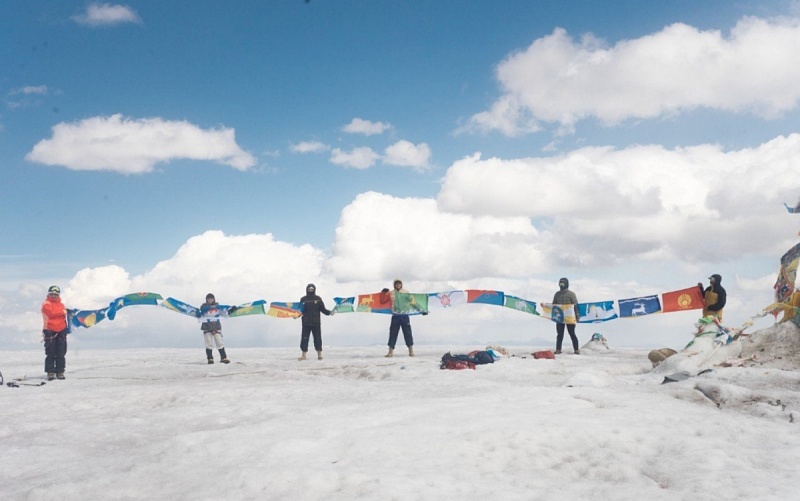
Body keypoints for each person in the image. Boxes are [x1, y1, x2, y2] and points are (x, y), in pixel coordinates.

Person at [380, 279, 423, 357]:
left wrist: (421, 310)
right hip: (395, 316)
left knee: (407, 333)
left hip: (404, 316)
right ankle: (390, 352)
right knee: (393, 333)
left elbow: (413, 302)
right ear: (394, 285)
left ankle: (411, 351)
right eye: (396, 284)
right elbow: (382, 301)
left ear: (401, 284)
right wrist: (383, 293)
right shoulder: (391, 293)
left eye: (399, 284)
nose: (398, 285)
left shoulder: (406, 293)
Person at [297, 283, 334, 361]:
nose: (310, 290)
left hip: (316, 323)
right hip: (306, 323)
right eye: (309, 289)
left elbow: (323, 309)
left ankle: (319, 354)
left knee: (317, 339)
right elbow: (300, 310)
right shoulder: (303, 299)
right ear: (306, 289)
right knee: (304, 339)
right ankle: (303, 355)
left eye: (312, 289)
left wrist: (330, 312)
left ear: (314, 289)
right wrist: (295, 315)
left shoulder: (318, 298)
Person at [41, 285, 69, 380]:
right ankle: (50, 372)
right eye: (52, 294)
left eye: (55, 294)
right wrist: (63, 312)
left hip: (62, 330)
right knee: (51, 352)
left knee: (61, 353)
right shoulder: (46, 304)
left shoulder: (62, 305)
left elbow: (63, 313)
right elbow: (52, 313)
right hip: (50, 330)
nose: (53, 296)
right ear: (49, 294)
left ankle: (60, 372)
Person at [198, 293, 232, 364]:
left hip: (216, 328)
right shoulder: (203, 307)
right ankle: (210, 359)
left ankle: (223, 358)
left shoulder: (218, 307)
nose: (210, 300)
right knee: (208, 343)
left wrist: (231, 309)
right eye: (208, 299)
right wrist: (211, 307)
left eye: (211, 299)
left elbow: (224, 312)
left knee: (219, 342)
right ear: (206, 300)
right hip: (207, 328)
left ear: (213, 299)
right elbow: (202, 310)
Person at [553, 277, 580, 355]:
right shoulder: (557, 294)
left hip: (570, 318)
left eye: (563, 283)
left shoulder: (571, 294)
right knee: (559, 334)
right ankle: (558, 349)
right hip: (560, 317)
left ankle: (576, 349)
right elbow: (553, 306)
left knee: (572, 333)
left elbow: (576, 306)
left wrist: (577, 317)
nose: (561, 285)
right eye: (560, 283)